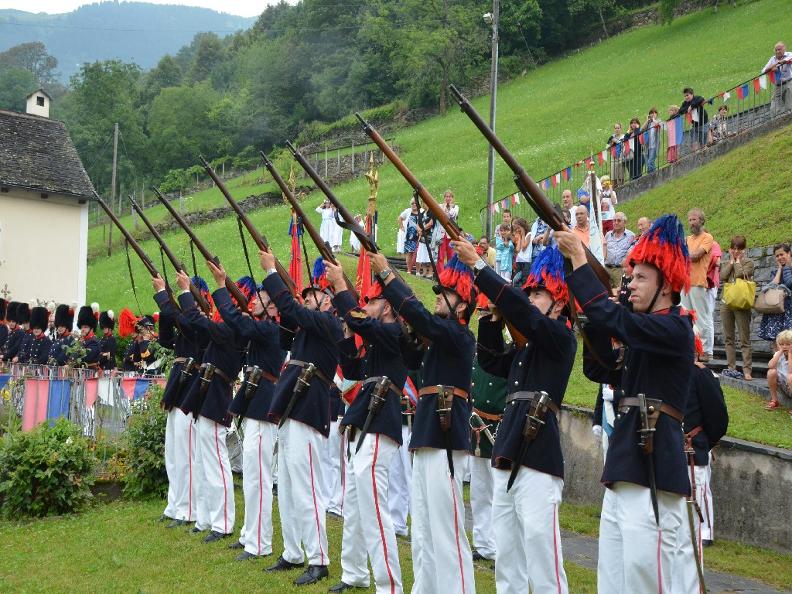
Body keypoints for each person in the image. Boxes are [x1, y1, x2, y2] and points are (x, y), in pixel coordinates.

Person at [556, 214, 695, 594]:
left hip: (652, 459)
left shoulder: (676, 328)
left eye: (641, 278)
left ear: (666, 284)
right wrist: (588, 299)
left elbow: (614, 319)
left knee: (646, 570)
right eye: (630, 278)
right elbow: (600, 366)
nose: (631, 285)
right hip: (627, 457)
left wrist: (583, 265)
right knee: (615, 573)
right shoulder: (643, 333)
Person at [453, 240, 576, 594]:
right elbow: (491, 361)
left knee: (540, 545)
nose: (532, 298)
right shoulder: (525, 347)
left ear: (559, 301)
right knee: (506, 544)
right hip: (508, 443)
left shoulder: (560, 337)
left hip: (538, 449)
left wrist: (479, 267)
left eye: (539, 293)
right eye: (530, 292)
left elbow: (530, 318)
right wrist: (494, 319)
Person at [368, 249, 477, 594]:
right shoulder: (436, 338)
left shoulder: (460, 335)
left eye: (447, 295)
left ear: (462, 306)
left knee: (447, 527)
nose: (438, 302)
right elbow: (411, 347)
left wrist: (389, 277)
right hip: (428, 431)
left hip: (446, 433)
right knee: (425, 527)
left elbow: (422, 318)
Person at [260, 252, 343, 586]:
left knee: (307, 488)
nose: (308, 297)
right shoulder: (308, 327)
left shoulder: (330, 324)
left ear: (329, 300)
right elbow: (284, 328)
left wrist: (271, 272)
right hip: (293, 406)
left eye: (315, 294)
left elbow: (293, 311)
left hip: (309, 410)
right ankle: (294, 551)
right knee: (290, 486)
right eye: (306, 294)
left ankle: (319, 558)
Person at [324, 261, 407, 594]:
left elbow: (365, 325)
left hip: (381, 419)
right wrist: (347, 335)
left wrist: (342, 287)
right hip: (366, 419)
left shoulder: (395, 332)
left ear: (386, 305)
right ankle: (354, 572)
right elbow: (353, 369)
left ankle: (389, 586)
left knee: (374, 508)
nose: (366, 306)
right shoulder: (378, 338)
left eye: (371, 301)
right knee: (355, 506)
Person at [176, 272, 247, 544]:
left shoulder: (233, 330)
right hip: (206, 393)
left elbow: (196, 320)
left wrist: (185, 291)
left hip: (217, 396)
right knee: (203, 461)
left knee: (216, 462)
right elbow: (192, 322)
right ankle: (206, 516)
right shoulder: (225, 327)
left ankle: (223, 522)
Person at [673, 335, 728, 593]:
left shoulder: (702, 375)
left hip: (695, 444)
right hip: (671, 446)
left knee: (699, 492)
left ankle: (705, 531)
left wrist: (704, 439)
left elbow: (717, 414)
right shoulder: (670, 373)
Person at [153, 275, 209, 529]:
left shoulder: (201, 324)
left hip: (191, 386)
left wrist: (166, 297)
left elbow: (184, 323)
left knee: (186, 454)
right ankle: (175, 504)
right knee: (173, 453)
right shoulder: (187, 321)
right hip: (178, 384)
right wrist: (167, 308)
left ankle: (188, 509)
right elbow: (166, 338)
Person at [467, 352, 506, 564]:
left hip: (499, 425)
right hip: (477, 424)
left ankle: (502, 547)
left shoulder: (506, 355)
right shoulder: (477, 356)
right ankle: (483, 544)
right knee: (479, 490)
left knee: (499, 492)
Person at [680, 209, 714, 361]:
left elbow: (696, 256)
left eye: (694, 219)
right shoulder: (687, 239)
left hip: (698, 282)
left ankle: (706, 350)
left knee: (701, 318)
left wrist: (681, 254)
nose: (691, 223)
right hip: (685, 283)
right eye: (689, 220)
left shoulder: (707, 237)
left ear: (701, 221)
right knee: (686, 317)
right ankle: (692, 347)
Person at [720, 236, 755, 381]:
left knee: (744, 338)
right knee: (729, 338)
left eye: (739, 248)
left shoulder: (749, 262)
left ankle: (747, 370)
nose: (735, 251)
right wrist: (731, 262)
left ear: (744, 249)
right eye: (733, 248)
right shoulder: (727, 262)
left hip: (741, 303)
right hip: (727, 302)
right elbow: (723, 276)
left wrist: (737, 262)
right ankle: (731, 367)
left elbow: (741, 273)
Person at [758, 243, 792, 351]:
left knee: (789, 340)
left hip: (789, 311)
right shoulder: (776, 270)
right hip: (776, 311)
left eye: (782, 254)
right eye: (777, 256)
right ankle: (777, 364)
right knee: (776, 341)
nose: (780, 257)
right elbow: (773, 286)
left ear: (789, 254)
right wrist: (779, 269)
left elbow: (789, 283)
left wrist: (786, 267)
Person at [603, 213, 636, 293]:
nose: (616, 222)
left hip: (620, 270)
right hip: (607, 269)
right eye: (614, 220)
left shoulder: (631, 236)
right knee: (607, 293)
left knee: (620, 293)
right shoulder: (608, 235)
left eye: (619, 220)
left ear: (625, 222)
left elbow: (631, 253)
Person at [761, 41, 792, 116]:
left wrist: (778, 64)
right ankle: (776, 120)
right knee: (774, 104)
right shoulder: (772, 59)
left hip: (789, 82)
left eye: (779, 49)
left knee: (789, 103)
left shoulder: (789, 54)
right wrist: (771, 68)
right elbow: (763, 71)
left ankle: (789, 118)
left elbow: (789, 59)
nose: (777, 51)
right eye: (776, 50)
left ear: (784, 49)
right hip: (778, 85)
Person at [766, 330, 792, 413]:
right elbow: (770, 365)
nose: (784, 346)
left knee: (790, 376)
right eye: (781, 344)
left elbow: (790, 371)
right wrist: (779, 352)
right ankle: (774, 400)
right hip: (785, 387)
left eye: (788, 344)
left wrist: (790, 354)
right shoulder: (779, 354)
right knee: (771, 372)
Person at [436, 190, 459, 274]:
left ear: (452, 198)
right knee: (440, 256)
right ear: (444, 198)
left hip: (451, 234)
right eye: (446, 197)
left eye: (450, 197)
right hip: (441, 234)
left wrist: (448, 208)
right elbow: (440, 214)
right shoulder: (439, 206)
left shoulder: (455, 207)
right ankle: (440, 274)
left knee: (451, 255)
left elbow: (453, 215)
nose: (448, 198)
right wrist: (444, 207)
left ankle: (450, 273)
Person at [679, 87, 709, 151]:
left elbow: (701, 99)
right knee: (694, 142)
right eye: (685, 96)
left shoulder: (696, 98)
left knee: (703, 143)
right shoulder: (685, 103)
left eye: (687, 95)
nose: (686, 97)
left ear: (692, 94)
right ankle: (696, 155)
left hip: (703, 123)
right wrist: (687, 109)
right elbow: (681, 110)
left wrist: (692, 106)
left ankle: (704, 152)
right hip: (695, 125)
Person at [511, 217, 532, 286]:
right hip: (519, 260)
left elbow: (523, 247)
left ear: (523, 227)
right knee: (516, 279)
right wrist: (520, 237)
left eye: (518, 228)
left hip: (526, 261)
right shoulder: (520, 235)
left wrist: (523, 235)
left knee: (524, 279)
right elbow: (518, 249)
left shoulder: (529, 234)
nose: (517, 230)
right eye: (516, 228)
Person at [402, 199, 421, 275]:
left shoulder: (421, 211)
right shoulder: (408, 211)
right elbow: (400, 218)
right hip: (409, 236)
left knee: (418, 253)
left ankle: (417, 271)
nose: (414, 205)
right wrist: (402, 227)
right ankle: (409, 270)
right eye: (412, 203)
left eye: (415, 203)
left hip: (418, 236)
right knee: (409, 253)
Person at [642, 107, 662, 173]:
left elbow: (658, 125)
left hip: (654, 146)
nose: (653, 114)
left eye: (654, 113)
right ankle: (653, 174)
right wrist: (647, 120)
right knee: (649, 163)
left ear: (656, 114)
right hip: (647, 146)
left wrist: (653, 119)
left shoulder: (658, 121)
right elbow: (641, 129)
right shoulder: (649, 124)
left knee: (650, 161)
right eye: (651, 113)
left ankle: (651, 175)